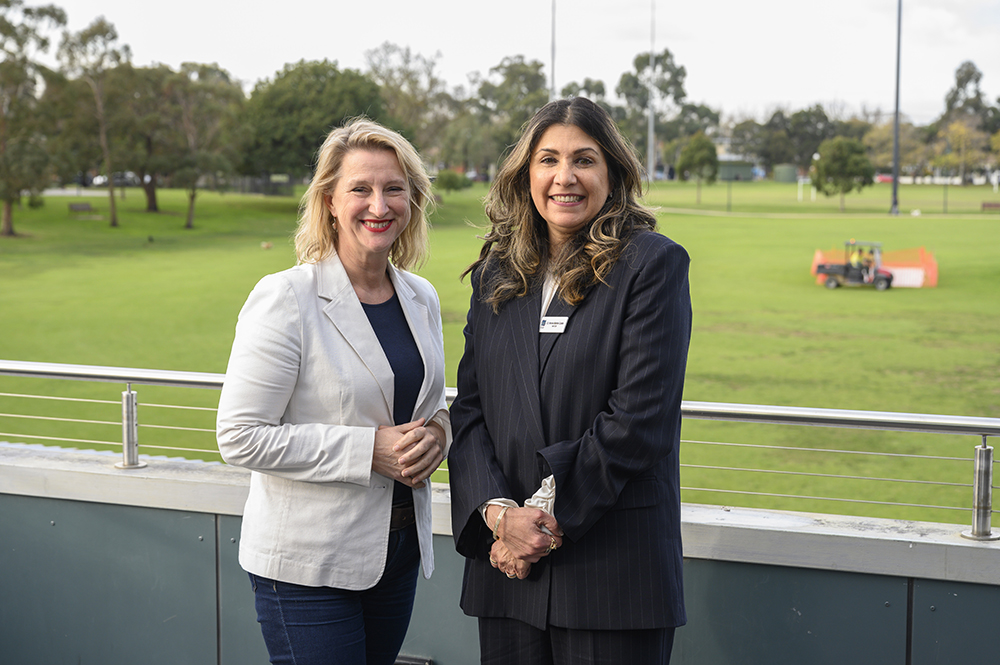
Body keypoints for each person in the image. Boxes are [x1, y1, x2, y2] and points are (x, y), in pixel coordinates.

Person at [448, 97, 692, 664]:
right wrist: (500, 517)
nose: (565, 177)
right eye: (548, 159)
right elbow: (470, 413)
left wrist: (539, 523)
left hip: (612, 578)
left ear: (612, 173)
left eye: (584, 160)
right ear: (525, 174)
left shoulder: (651, 266)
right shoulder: (495, 273)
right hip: (508, 577)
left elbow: (638, 420)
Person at [216, 118, 451, 665]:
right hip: (307, 568)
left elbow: (430, 400)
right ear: (328, 201)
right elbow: (240, 437)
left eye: (395, 189)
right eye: (361, 189)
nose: (380, 204)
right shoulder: (286, 298)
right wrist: (369, 450)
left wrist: (440, 431)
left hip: (397, 555)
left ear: (413, 201)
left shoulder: (421, 297)